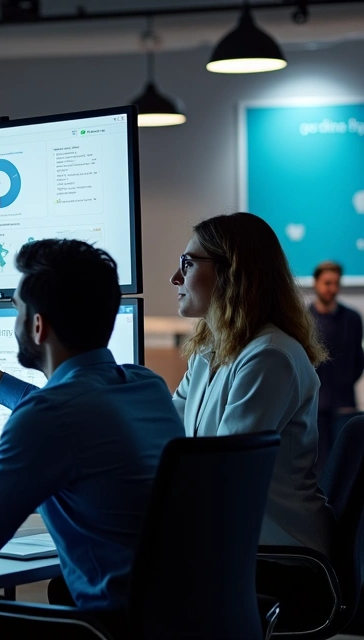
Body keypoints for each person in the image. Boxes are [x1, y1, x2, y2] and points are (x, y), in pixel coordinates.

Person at [0, 239, 184, 639]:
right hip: (184, 621)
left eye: (17, 308)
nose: (16, 318)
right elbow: (75, 415)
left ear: (38, 326)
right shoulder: (146, 386)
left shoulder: (48, 417)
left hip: (114, 629)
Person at [171, 212, 334, 630]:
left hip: (282, 559)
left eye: (188, 264)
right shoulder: (210, 355)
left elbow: (222, 475)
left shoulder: (269, 356)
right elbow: (162, 436)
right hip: (238, 547)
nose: (176, 277)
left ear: (231, 272)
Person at [309, 260, 364, 473]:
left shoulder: (352, 318)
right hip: (314, 407)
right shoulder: (305, 319)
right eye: (327, 282)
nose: (332, 288)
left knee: (346, 467)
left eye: (336, 283)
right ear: (316, 283)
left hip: (345, 404)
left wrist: (347, 385)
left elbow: (357, 359)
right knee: (318, 467)